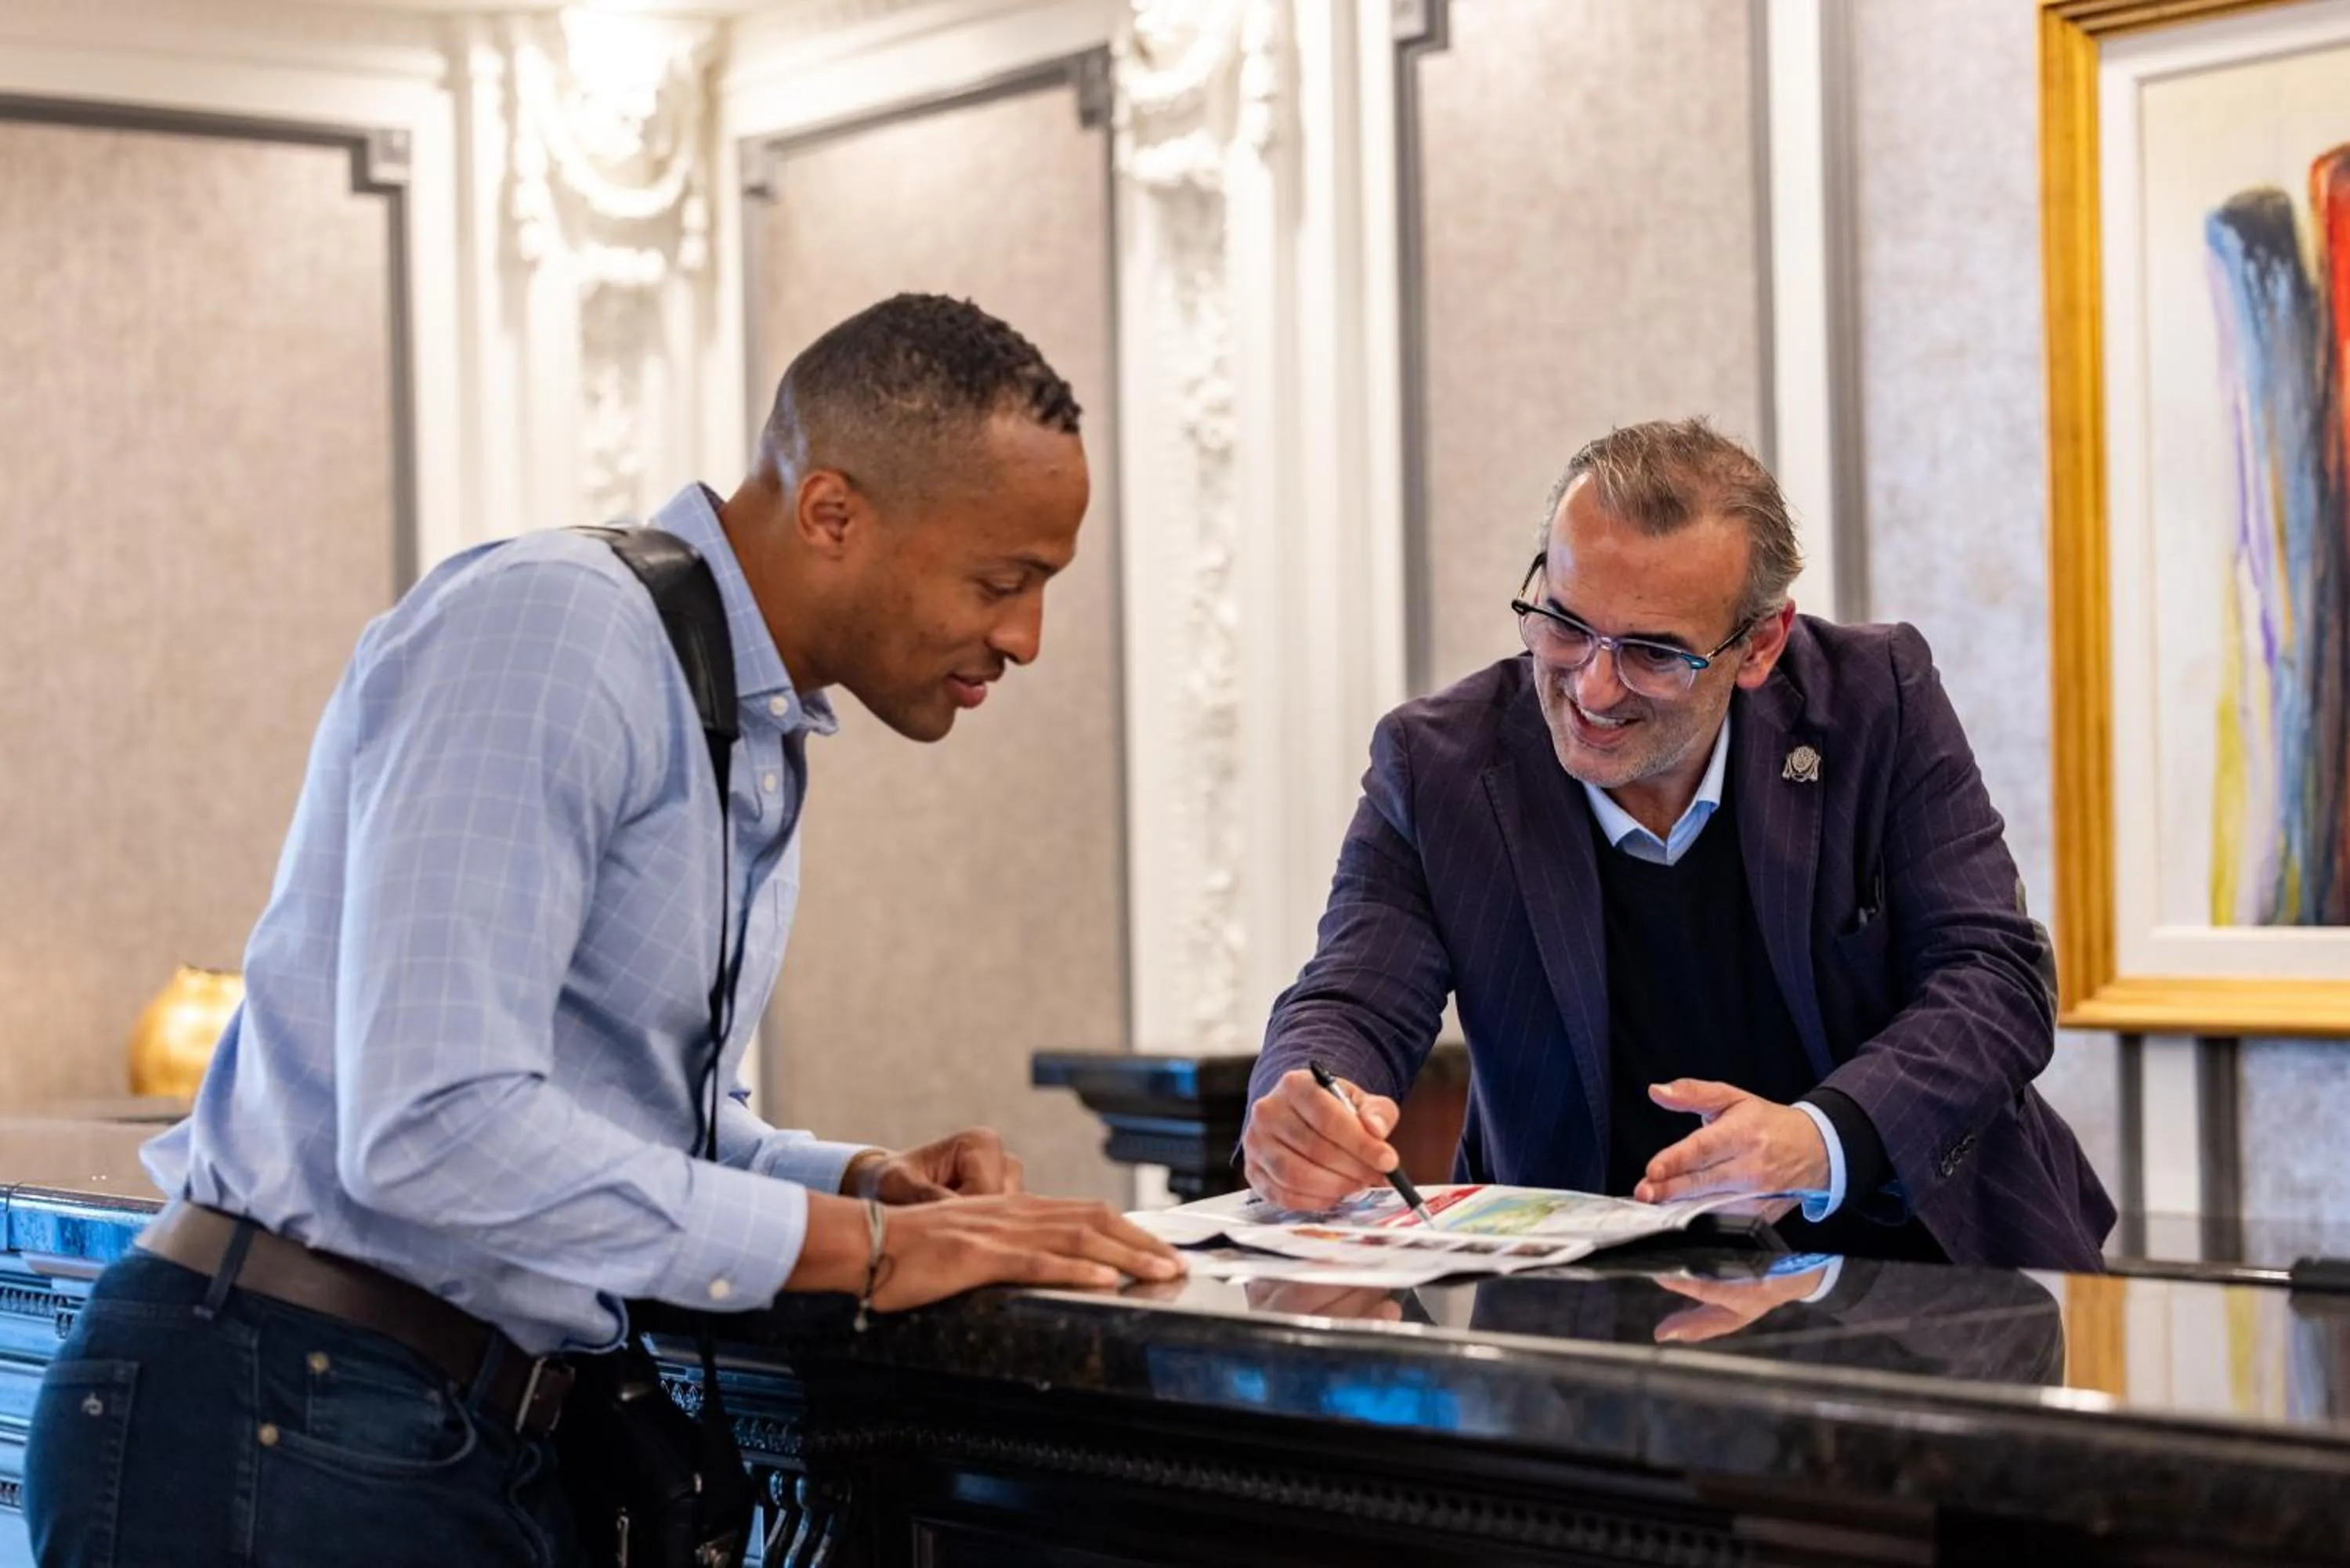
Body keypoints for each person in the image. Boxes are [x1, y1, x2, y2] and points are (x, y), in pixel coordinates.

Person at [25, 293, 1182, 1568]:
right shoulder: (559, 629)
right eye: (1003, 580)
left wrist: (854, 1181)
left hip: (437, 1431)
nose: (1023, 635)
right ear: (835, 512)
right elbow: (434, 1121)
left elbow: (603, 1118)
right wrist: (863, 1249)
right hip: (284, 1420)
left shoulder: (733, 716)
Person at [1242, 418, 2113, 1272]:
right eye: (1565, 623)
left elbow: (1992, 976)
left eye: (1654, 652)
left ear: (1761, 643)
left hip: (1915, 1275)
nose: (1593, 684)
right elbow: (1352, 998)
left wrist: (1821, 1137)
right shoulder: (1440, 764)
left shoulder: (1875, 702)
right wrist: (1314, 1100)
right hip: (1584, 1307)